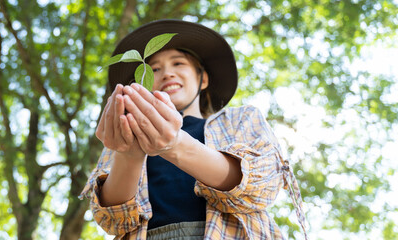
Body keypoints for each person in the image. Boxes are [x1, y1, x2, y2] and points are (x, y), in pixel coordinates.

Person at [80, 19, 307, 239]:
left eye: (178, 63)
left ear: (204, 78)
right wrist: (128, 155)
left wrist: (176, 145)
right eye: (154, 69)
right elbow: (112, 219)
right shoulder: (124, 136)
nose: (167, 73)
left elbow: (262, 185)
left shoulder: (240, 119)